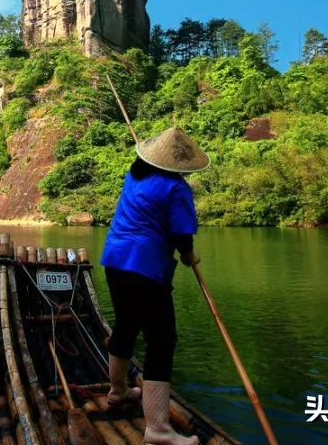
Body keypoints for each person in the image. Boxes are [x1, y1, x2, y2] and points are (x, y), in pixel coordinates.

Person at [100, 126, 209, 445]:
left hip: (115, 261)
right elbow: (181, 236)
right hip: (145, 268)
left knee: (125, 327)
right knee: (161, 341)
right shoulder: (176, 188)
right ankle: (158, 429)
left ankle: (118, 392)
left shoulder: (133, 175)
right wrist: (189, 257)